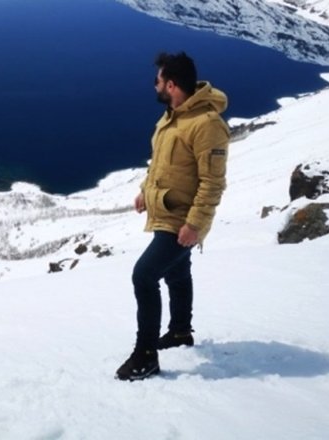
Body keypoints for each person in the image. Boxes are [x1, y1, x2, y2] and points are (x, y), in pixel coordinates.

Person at [116, 52, 230, 381]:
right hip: (167, 211)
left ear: (172, 84)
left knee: (144, 276)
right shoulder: (173, 116)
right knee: (177, 273)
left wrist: (194, 224)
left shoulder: (207, 125)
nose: (154, 85)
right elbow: (163, 165)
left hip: (182, 219)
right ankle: (180, 332)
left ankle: (145, 355)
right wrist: (144, 191)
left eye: (158, 80)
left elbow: (213, 182)